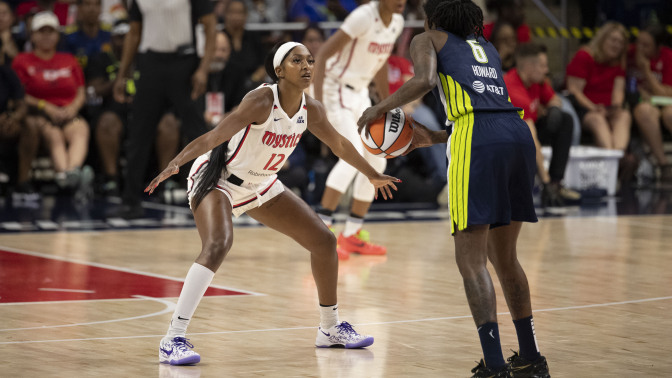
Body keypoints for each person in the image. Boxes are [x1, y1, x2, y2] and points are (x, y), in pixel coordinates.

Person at [145, 42, 400, 365]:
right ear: (279, 71)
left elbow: (340, 145)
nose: (307, 66)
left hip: (261, 185)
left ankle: (329, 328)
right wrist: (175, 163)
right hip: (219, 180)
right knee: (219, 243)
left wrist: (372, 174)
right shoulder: (261, 100)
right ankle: (172, 338)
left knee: (323, 241)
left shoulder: (312, 109)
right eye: (298, 61)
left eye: (310, 60)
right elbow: (213, 138)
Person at [357, 1, 550, 376]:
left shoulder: (425, 38)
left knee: (471, 260)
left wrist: (378, 107)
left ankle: (494, 365)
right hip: (516, 134)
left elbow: (425, 80)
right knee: (505, 258)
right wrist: (438, 137)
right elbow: (486, 109)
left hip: (477, 138)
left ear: (431, 19)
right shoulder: (487, 47)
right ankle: (531, 358)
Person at [313, 0, 406, 257]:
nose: (401, 1)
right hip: (335, 89)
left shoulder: (396, 23)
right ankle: (322, 232)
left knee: (377, 161)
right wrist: (317, 105)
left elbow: (381, 62)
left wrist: (388, 103)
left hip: (360, 94)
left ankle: (352, 234)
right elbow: (321, 56)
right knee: (350, 158)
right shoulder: (363, 17)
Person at [113, 0, 217, 218]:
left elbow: (210, 27)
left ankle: (209, 197)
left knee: (197, 132)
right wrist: (123, 73)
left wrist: (203, 69)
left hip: (185, 63)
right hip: (150, 63)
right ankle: (130, 200)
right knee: (139, 134)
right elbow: (134, 32)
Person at [86, 20, 180, 197]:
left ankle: (165, 179)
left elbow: (164, 90)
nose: (126, 43)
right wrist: (119, 79)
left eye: (130, 38)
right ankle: (111, 179)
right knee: (107, 122)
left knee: (169, 122)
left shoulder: (148, 59)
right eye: (121, 38)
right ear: (112, 39)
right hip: (115, 112)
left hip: (147, 111)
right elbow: (93, 91)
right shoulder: (101, 59)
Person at [12, 11, 92, 197]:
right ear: (32, 35)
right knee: (54, 135)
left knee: (81, 129)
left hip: (68, 112)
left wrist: (72, 108)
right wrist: (45, 106)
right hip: (40, 114)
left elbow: (81, 91)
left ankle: (70, 174)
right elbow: (19, 94)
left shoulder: (69, 59)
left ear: (57, 35)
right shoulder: (22, 61)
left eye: (51, 31)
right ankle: (66, 175)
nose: (46, 36)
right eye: (42, 31)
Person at [504, 42, 580, 209]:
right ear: (529, 66)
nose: (547, 70)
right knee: (530, 141)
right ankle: (547, 184)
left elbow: (554, 99)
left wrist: (553, 108)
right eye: (543, 66)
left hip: (528, 129)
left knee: (564, 119)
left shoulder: (537, 81)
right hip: (508, 139)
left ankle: (556, 182)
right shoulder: (513, 89)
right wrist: (544, 181)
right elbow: (532, 139)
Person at [566, 21, 631, 151]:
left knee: (624, 115)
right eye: (613, 40)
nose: (616, 45)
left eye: (621, 42)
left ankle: (617, 155)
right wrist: (594, 108)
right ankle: (611, 157)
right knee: (598, 120)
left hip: (608, 108)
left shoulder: (619, 62)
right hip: (584, 108)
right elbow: (574, 90)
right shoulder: (584, 56)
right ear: (602, 39)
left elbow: (618, 91)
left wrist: (615, 107)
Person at [627, 25, 672, 183]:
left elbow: (666, 93)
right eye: (639, 42)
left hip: (664, 102)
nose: (640, 48)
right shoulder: (628, 53)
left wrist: (646, 71)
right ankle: (664, 163)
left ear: (658, 47)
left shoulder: (667, 56)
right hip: (639, 103)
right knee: (645, 111)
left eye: (646, 45)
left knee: (670, 114)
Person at [0, 43, 39, 200]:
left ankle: (22, 183)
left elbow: (21, 103)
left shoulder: (6, 73)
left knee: (29, 125)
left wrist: (13, 117)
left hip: (4, 122)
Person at [63, 0, 111, 70]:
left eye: (96, 4)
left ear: (101, 8)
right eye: (87, 4)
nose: (92, 9)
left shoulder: (109, 37)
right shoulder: (69, 40)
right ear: (79, 8)